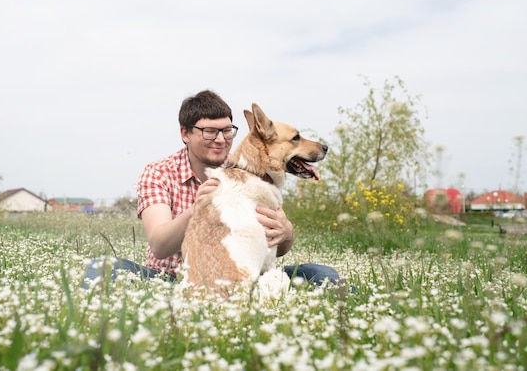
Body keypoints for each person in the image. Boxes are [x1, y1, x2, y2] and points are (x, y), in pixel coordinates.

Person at [84, 90, 341, 287]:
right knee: (102, 267)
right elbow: (160, 245)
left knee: (321, 274)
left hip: (241, 277)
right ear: (185, 133)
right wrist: (198, 208)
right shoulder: (159, 172)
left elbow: (273, 247)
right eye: (209, 132)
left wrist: (285, 233)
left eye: (227, 131)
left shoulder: (251, 171)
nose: (220, 140)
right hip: (173, 280)